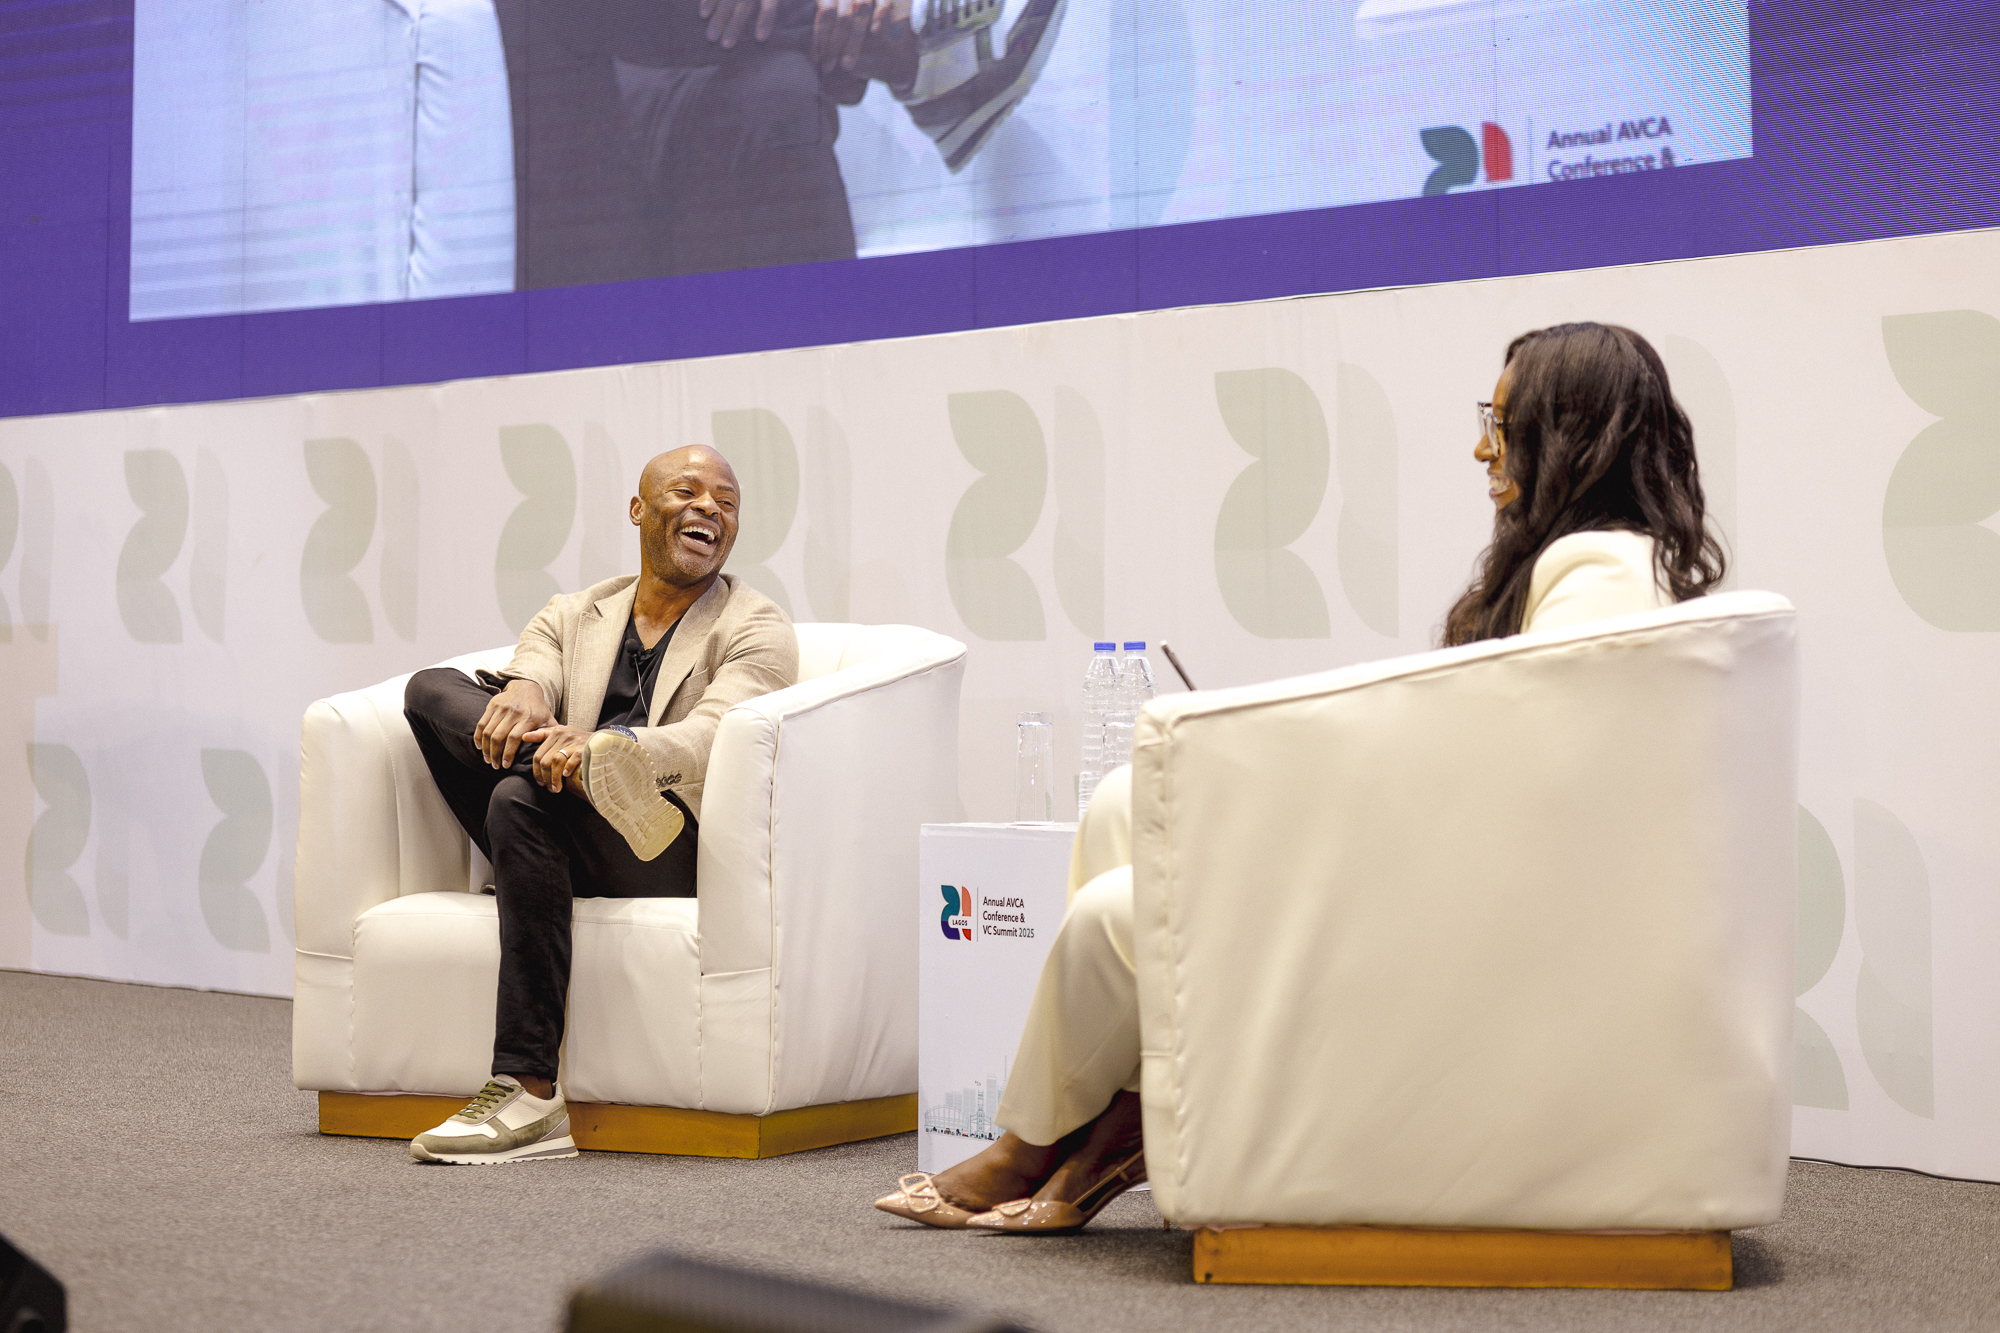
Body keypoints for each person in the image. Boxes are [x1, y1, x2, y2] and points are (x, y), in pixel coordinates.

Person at [875, 321, 1728, 1232]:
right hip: (1462, 874)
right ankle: (1124, 1116)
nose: (1483, 446)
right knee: (1125, 803)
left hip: (1473, 913)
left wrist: (1305, 779)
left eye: (1502, 421)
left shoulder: (1599, 571)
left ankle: (1033, 1145)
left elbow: (1512, 775)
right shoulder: (1600, 565)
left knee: (1112, 917)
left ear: (1570, 434)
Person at [402, 445, 797, 1164]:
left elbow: (716, 736)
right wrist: (526, 694)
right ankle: (569, 780)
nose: (710, 509)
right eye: (688, 492)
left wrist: (608, 750)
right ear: (639, 510)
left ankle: (528, 1091)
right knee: (430, 690)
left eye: (727, 502)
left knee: (520, 797)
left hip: (663, 840)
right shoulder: (576, 612)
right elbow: (534, 666)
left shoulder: (755, 625)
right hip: (561, 813)